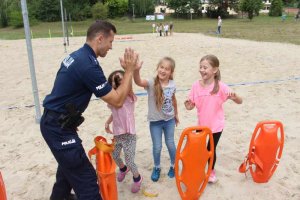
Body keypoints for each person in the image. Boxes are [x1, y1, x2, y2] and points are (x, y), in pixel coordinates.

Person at [40, 20, 138, 200]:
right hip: (57, 127)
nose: (111, 47)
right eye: (110, 42)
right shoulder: (88, 65)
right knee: (87, 180)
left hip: (58, 123)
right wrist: (129, 71)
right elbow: (117, 101)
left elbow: (63, 91)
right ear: (100, 38)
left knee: (67, 172)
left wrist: (68, 118)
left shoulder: (78, 56)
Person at [184, 55, 242, 184]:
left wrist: (235, 97)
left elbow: (240, 101)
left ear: (215, 70)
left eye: (205, 67)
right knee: (199, 149)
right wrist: (188, 105)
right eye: (200, 67)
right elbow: (190, 105)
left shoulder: (221, 86)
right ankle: (199, 169)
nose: (202, 70)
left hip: (216, 126)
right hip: (201, 126)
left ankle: (211, 171)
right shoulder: (195, 86)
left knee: (210, 149)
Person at [134, 57, 179, 182]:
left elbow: (173, 100)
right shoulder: (151, 83)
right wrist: (136, 71)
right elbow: (138, 82)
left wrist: (176, 114)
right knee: (157, 147)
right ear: (158, 68)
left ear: (171, 72)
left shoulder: (172, 84)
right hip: (155, 122)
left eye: (167, 69)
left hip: (169, 120)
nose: (163, 70)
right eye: (161, 67)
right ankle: (157, 167)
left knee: (170, 144)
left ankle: (174, 166)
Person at [104, 70, 143, 193]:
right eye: (114, 81)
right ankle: (123, 169)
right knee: (114, 155)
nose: (116, 83)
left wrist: (129, 71)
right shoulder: (113, 100)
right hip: (117, 135)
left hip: (129, 135)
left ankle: (137, 178)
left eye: (120, 81)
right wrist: (107, 122)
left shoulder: (129, 96)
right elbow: (114, 113)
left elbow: (129, 85)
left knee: (130, 160)